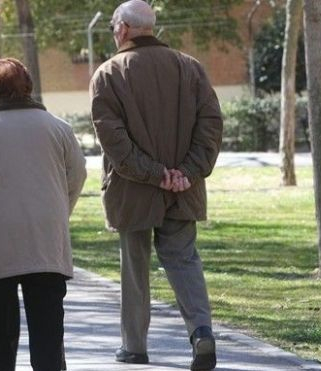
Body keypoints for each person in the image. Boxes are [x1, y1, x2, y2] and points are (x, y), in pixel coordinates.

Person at [89, 1, 223, 370]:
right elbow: (211, 124)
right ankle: (201, 333)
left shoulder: (108, 73)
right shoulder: (190, 67)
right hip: (184, 189)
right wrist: (187, 172)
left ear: (123, 29)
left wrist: (154, 173)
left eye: (114, 27)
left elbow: (113, 140)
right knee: (184, 261)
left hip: (133, 190)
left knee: (135, 267)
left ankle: (134, 346)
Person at [0, 58, 87, 371]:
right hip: (45, 237)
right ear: (29, 87)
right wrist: (60, 210)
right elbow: (77, 175)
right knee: (48, 324)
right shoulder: (58, 127)